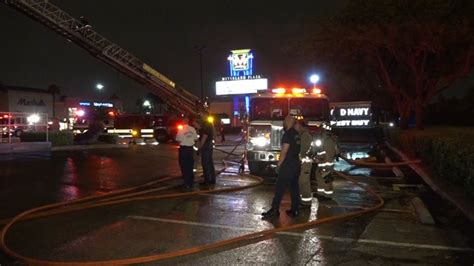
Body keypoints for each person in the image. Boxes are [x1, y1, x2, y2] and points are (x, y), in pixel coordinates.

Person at [262, 116, 301, 218]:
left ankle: (275, 210)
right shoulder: (296, 134)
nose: (283, 123)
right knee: (294, 188)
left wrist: (278, 165)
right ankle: (295, 210)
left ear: (288, 122)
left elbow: (284, 152)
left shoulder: (287, 134)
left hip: (288, 165)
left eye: (285, 121)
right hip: (296, 164)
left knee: (280, 187)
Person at [313, 124, 339, 200]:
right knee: (319, 178)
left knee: (327, 180)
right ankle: (321, 194)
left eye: (321, 129)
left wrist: (324, 163)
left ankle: (328, 196)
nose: (319, 131)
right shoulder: (324, 139)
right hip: (322, 163)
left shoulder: (329, 140)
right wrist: (316, 157)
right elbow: (321, 151)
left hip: (326, 164)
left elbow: (328, 154)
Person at [294, 118, 313, 208]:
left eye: (297, 125)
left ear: (301, 126)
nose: (296, 126)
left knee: (303, 182)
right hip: (304, 162)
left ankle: (306, 203)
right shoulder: (303, 135)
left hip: (305, 162)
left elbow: (303, 150)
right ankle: (303, 201)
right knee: (301, 182)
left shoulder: (305, 135)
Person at [175, 116, 198, 190]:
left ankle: (186, 183)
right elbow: (195, 139)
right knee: (190, 166)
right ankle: (191, 182)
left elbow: (178, 140)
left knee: (184, 167)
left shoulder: (181, 130)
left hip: (184, 149)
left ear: (183, 121)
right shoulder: (192, 129)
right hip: (190, 149)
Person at [196, 116, 216, 185]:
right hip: (209, 145)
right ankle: (212, 179)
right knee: (209, 162)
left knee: (205, 163)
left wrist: (200, 147)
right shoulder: (209, 124)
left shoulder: (206, 125)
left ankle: (207, 180)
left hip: (206, 145)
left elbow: (204, 136)